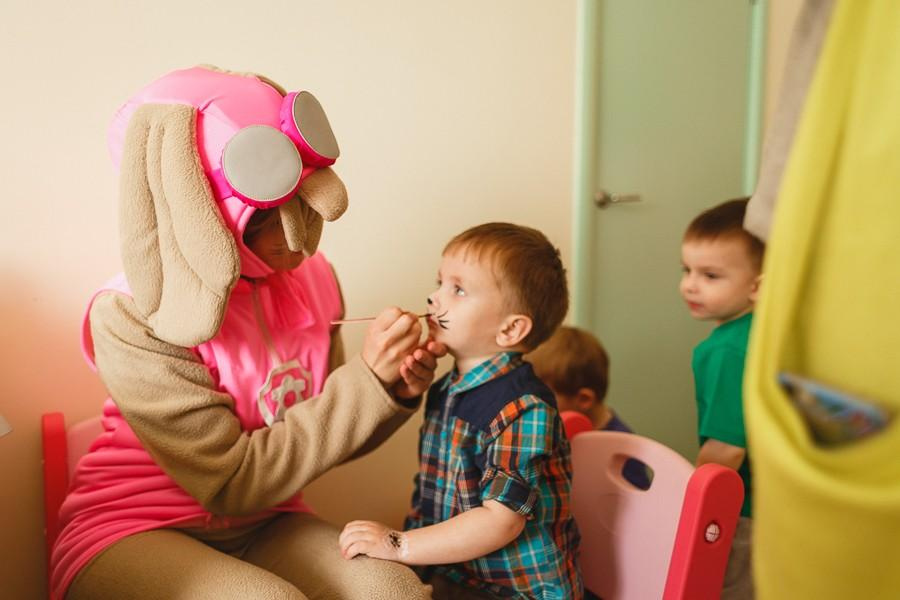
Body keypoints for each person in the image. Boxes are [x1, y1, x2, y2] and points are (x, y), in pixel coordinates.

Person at [51, 66, 444, 600]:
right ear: (205, 214)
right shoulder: (128, 314)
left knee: (393, 591)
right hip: (134, 528)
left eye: (304, 209)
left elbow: (324, 437)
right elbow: (231, 483)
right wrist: (363, 384)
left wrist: (391, 387)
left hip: (267, 521)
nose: (297, 238)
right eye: (267, 218)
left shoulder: (316, 278)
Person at [339, 222, 583, 600]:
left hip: (515, 590)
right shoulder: (446, 388)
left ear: (510, 330)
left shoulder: (523, 409)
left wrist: (399, 545)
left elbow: (501, 522)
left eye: (458, 289)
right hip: (458, 575)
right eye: (439, 283)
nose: (434, 299)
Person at [680, 197, 763, 600]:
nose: (689, 285)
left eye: (710, 275)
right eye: (687, 270)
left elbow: (727, 448)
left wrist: (693, 504)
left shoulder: (727, 351)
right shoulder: (763, 331)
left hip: (742, 510)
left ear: (758, 285)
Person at [527, 325, 651, 490]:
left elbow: (637, 508)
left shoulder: (621, 451)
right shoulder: (551, 429)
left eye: (541, 397)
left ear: (584, 399)